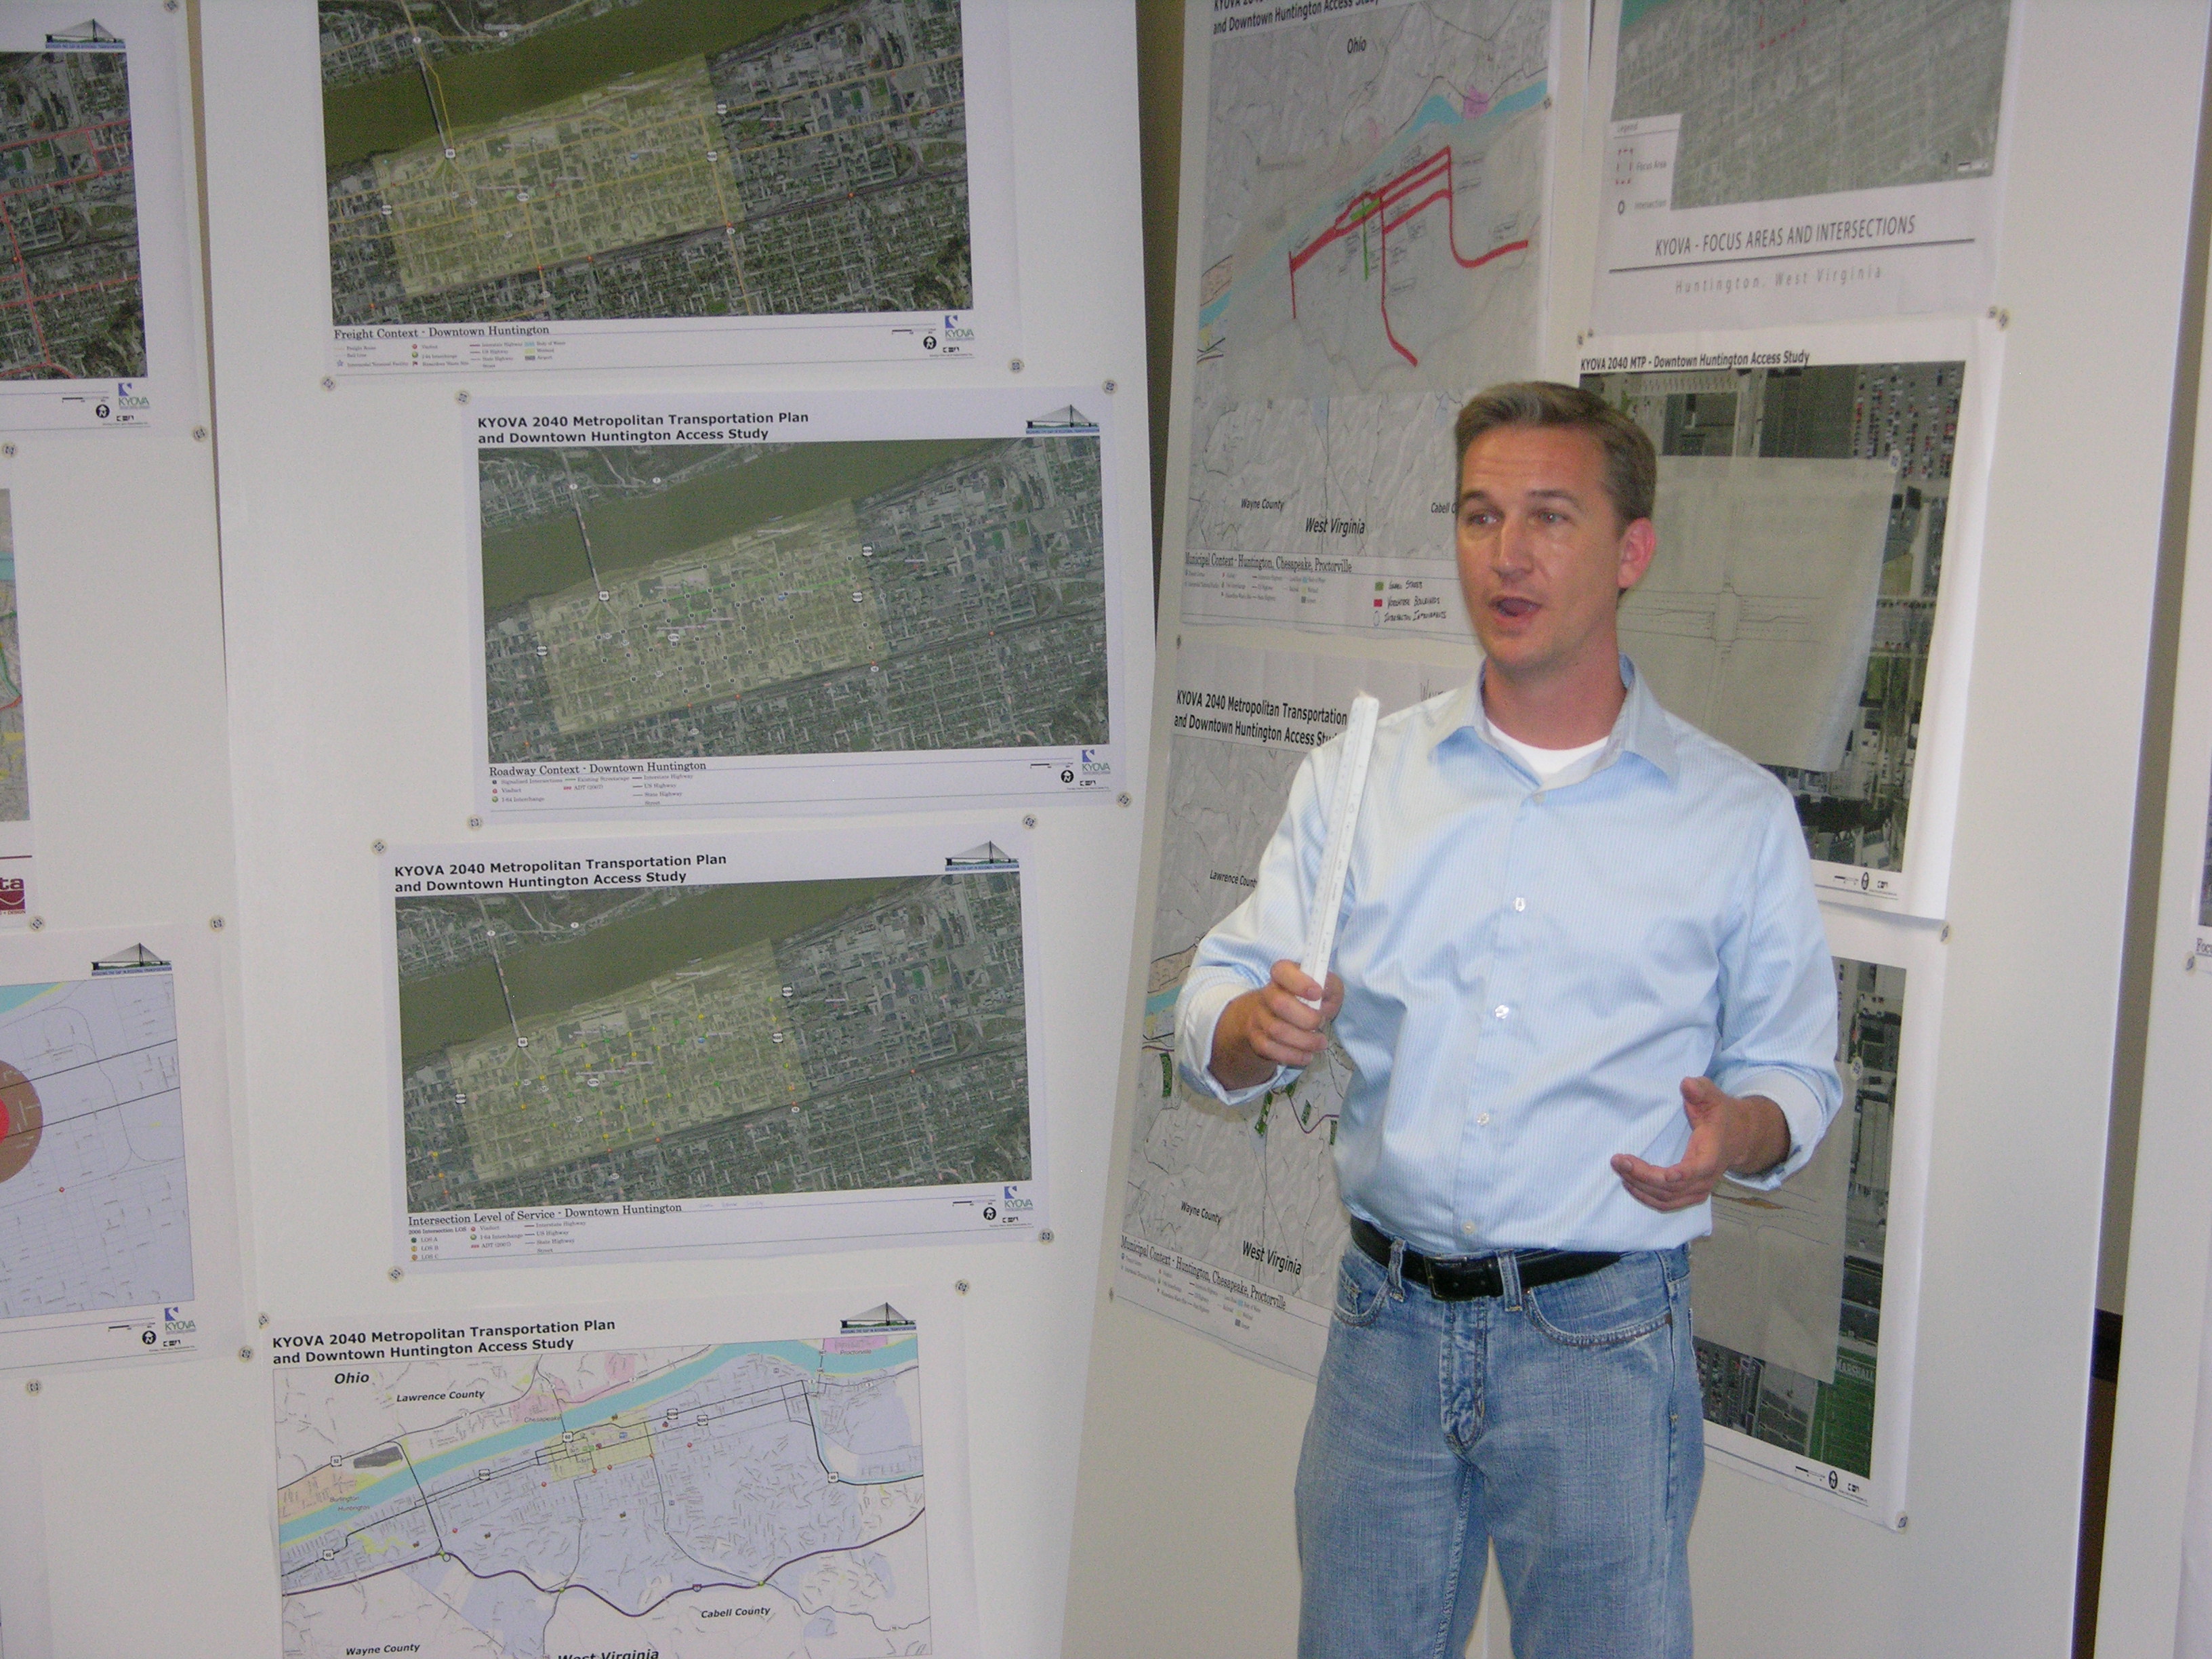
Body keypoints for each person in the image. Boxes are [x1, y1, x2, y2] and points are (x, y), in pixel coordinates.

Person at [1176, 382, 1843, 1658]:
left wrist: (1739, 1134)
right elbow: (1213, 998)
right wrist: (1248, 1027)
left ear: (1631, 550)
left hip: (1600, 1343)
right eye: (1481, 517)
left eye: (1549, 517)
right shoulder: (1364, 780)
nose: (1507, 555)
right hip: (1385, 1328)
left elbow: (1794, 1075)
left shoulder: (1734, 817)